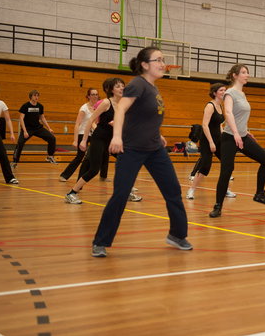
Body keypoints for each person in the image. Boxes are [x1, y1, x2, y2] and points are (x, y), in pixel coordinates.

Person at [91, 46, 192, 257]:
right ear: (145, 65)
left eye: (163, 59)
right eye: (158, 60)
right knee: (120, 195)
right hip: (132, 149)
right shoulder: (137, 83)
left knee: (173, 191)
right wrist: (117, 137)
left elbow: (146, 117)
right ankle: (101, 241)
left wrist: (158, 133)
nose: (162, 63)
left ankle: (177, 235)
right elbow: (120, 109)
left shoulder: (153, 88)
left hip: (155, 148)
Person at [209, 63, 265, 218]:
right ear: (235, 75)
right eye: (244, 72)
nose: (247, 75)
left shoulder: (243, 94)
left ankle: (259, 194)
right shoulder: (230, 93)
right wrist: (236, 133)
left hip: (242, 136)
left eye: (247, 72)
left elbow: (240, 116)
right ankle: (218, 206)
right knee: (226, 171)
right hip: (230, 138)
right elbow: (229, 113)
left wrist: (245, 131)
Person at [64, 78, 141, 204]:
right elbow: (91, 120)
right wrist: (83, 141)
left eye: (123, 85)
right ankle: (71, 193)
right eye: (118, 86)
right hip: (99, 138)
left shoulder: (122, 104)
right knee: (94, 170)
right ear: (110, 90)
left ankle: (126, 191)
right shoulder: (106, 103)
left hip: (113, 140)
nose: (122, 88)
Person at [186, 83, 236, 200]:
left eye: (225, 90)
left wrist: (223, 135)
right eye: (221, 90)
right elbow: (205, 125)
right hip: (207, 140)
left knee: (227, 164)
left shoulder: (221, 106)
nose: (224, 92)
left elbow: (219, 124)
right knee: (205, 166)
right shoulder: (210, 106)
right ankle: (191, 190)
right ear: (215, 93)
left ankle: (225, 189)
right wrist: (211, 142)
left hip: (219, 140)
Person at [59, 88, 99, 182]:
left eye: (96, 94)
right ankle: (64, 175)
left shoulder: (98, 108)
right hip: (82, 134)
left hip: (93, 134)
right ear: (88, 96)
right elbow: (77, 124)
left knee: (92, 156)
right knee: (79, 157)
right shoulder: (84, 108)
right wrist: (75, 140)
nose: (95, 96)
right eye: (92, 94)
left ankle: (84, 177)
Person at [12, 90, 57, 167]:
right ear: (31, 96)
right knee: (20, 143)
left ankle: (50, 156)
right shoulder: (25, 106)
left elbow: (42, 118)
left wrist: (49, 128)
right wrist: (25, 131)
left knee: (52, 138)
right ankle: (14, 161)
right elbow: (21, 119)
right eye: (35, 95)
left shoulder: (40, 106)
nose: (36, 97)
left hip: (37, 128)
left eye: (37, 96)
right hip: (27, 129)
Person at [0, 83, 18, 184]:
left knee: (3, 155)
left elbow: (8, 120)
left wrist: (12, 133)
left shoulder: (1, 104)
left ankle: (10, 178)